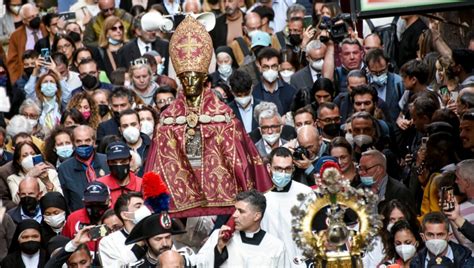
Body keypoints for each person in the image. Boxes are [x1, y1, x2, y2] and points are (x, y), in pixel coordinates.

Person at [145, 15, 272, 217]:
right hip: (181, 213)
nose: (189, 83)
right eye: (184, 78)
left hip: (226, 210)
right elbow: (157, 167)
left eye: (194, 78)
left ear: (205, 80)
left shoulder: (224, 117)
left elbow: (242, 163)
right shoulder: (168, 119)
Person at [195, 189, 289, 267]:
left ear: (257, 216)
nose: (234, 215)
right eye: (235, 210)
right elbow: (198, 264)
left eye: (241, 211)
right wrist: (219, 249)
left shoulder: (276, 247)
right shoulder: (219, 235)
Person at [260, 147, 313, 266]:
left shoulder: (306, 193)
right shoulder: (260, 195)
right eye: (278, 169)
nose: (283, 173)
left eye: (287, 169)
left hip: (299, 261)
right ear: (269, 168)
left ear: (293, 169)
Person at [58, 125, 110, 211]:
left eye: (87, 140)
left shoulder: (107, 162)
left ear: (94, 142)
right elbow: (66, 202)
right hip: (80, 216)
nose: (83, 144)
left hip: (108, 215)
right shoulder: (64, 169)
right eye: (79, 141)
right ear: (73, 143)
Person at [99, 192, 150, 266]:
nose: (145, 210)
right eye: (138, 206)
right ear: (125, 215)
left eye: (145, 206)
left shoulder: (156, 231)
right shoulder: (108, 242)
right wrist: (137, 247)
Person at [125, 213, 191, 267]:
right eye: (158, 239)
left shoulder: (187, 260)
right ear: (146, 242)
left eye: (167, 237)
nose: (165, 243)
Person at [62, 181, 111, 254]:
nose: (95, 206)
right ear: (84, 201)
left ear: (109, 201)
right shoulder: (73, 218)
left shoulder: (115, 218)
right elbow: (65, 244)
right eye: (90, 203)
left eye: (99, 203)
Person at [7, 3, 48, 83]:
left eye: (36, 15)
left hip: (48, 75)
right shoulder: (16, 36)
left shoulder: (46, 29)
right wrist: (16, 82)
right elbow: (12, 62)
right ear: (24, 21)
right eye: (31, 17)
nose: (35, 19)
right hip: (27, 79)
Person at [252, 47, 297, 115]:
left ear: (279, 67)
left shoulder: (290, 91)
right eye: (266, 67)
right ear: (260, 68)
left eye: (273, 66)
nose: (270, 70)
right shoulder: (254, 93)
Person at [97, 141, 143, 206]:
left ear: (130, 160)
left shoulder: (141, 184)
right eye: (113, 162)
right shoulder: (100, 186)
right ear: (107, 163)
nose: (118, 165)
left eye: (123, 161)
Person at [366, 48, 404, 121]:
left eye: (382, 71)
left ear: (388, 65)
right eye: (374, 72)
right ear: (368, 68)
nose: (378, 75)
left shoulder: (398, 82)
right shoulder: (364, 82)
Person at [118, 109, 150, 176]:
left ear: (140, 126)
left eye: (133, 124)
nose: (130, 129)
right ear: (120, 130)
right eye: (125, 126)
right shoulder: (117, 151)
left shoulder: (152, 146)